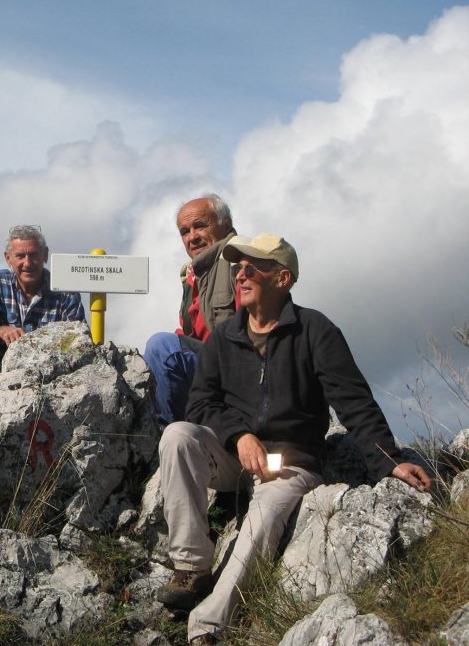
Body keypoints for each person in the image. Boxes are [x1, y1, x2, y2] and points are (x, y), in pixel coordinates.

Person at [155, 234, 433, 645]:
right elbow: (200, 404)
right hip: (234, 457)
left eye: (252, 268)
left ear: (282, 278)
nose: (240, 275)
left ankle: (207, 627)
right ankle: (192, 567)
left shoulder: (316, 331)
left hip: (289, 464)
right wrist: (239, 436)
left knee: (262, 522)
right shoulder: (224, 337)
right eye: (237, 268)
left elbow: (354, 403)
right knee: (178, 435)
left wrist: (390, 460)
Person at [142, 194, 239, 426]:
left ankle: (167, 432)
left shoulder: (239, 261)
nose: (192, 237)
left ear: (225, 225)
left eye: (200, 226)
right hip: (210, 364)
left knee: (161, 347)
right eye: (185, 232)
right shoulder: (193, 274)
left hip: (236, 367)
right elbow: (190, 334)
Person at [0, 225, 85, 379]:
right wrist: (2, 331)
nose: (28, 263)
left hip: (53, 371)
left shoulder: (65, 293)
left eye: (33, 255)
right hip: (5, 368)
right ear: (8, 258)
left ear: (45, 255)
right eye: (20, 256)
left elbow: (79, 340)